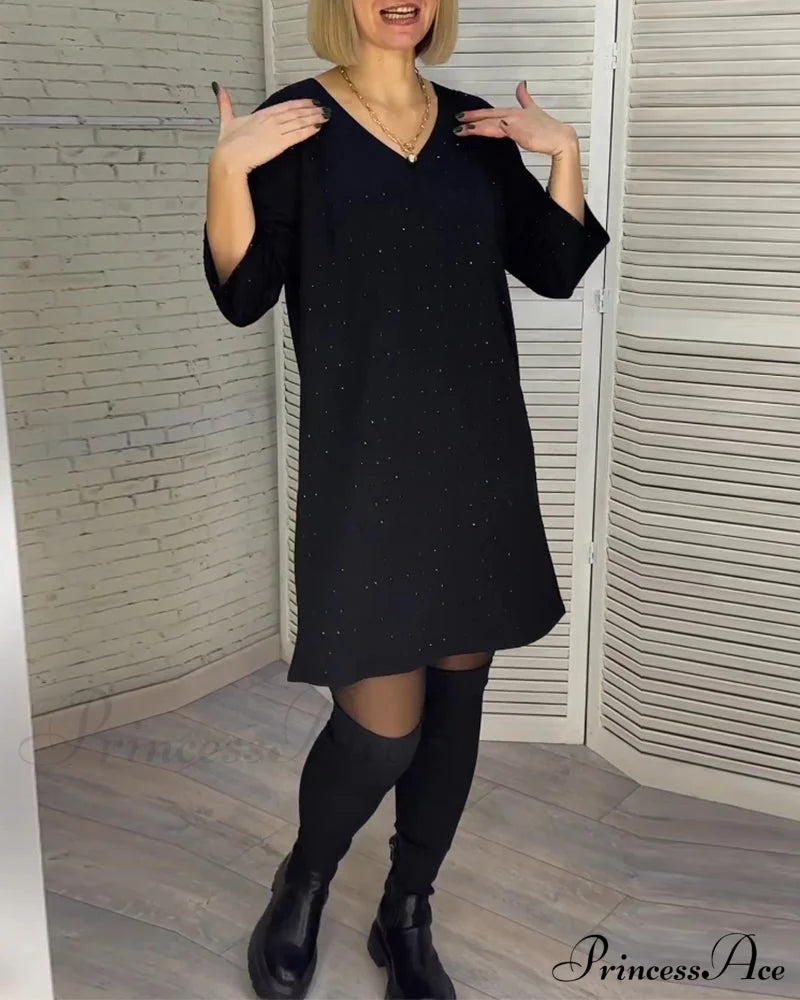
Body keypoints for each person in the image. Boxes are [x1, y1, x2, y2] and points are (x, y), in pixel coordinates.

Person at [203, 1, 610, 996]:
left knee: (455, 710)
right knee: (381, 728)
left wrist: (562, 152)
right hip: (364, 469)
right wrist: (227, 171)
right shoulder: (295, 124)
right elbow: (244, 294)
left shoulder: (473, 129)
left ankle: (407, 909)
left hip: (477, 460)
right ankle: (305, 878)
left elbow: (555, 267)